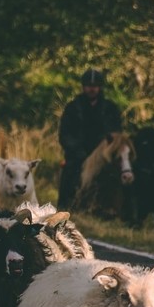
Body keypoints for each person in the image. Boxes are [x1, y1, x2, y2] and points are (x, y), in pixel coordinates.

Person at [57, 68, 123, 209]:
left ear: (99, 87)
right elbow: (65, 134)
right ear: (83, 87)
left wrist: (105, 147)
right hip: (78, 153)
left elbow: (116, 133)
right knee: (69, 172)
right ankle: (66, 205)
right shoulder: (73, 108)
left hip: (103, 154)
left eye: (95, 86)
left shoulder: (110, 109)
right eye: (89, 86)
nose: (92, 89)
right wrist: (76, 150)